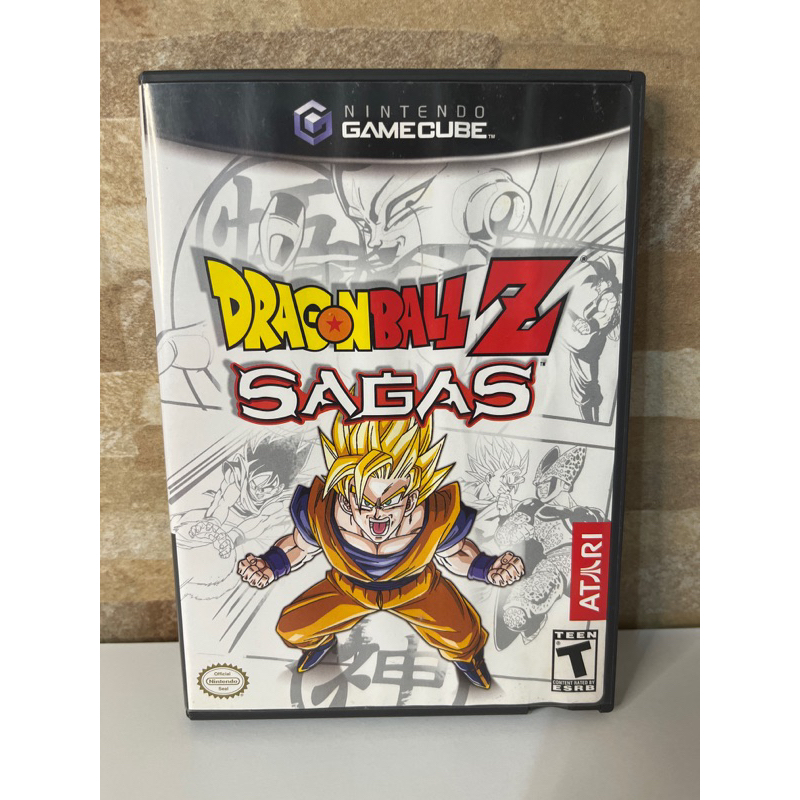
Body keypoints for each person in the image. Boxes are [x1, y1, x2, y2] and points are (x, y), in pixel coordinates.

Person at [237, 415, 524, 689]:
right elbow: (298, 546)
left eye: (391, 501)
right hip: (347, 589)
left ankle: (470, 663)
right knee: (292, 628)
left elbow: (457, 554)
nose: (377, 514)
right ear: (347, 496)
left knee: (464, 637)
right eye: (365, 501)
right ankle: (321, 646)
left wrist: (488, 568)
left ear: (411, 498)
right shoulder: (323, 511)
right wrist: (271, 564)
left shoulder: (435, 515)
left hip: (418, 589)